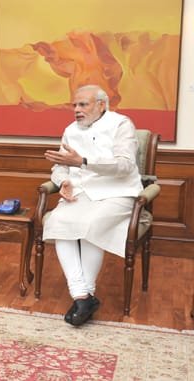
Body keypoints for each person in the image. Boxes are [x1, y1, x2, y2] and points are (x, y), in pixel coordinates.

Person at [43, 84, 144, 326]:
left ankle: (83, 297)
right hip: (82, 192)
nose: (76, 110)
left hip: (117, 192)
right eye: (74, 105)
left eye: (83, 104)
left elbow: (125, 165)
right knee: (58, 221)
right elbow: (60, 166)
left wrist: (84, 161)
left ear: (101, 105)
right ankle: (82, 296)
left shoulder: (121, 124)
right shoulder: (70, 130)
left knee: (90, 225)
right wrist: (63, 180)